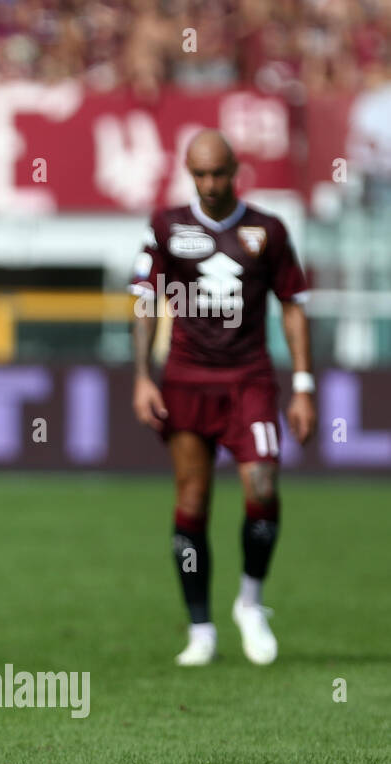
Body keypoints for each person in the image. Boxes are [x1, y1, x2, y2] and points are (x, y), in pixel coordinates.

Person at [129, 129, 316, 666]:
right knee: (192, 500)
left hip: (250, 380)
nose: (210, 184)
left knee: (263, 484)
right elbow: (144, 302)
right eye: (200, 174)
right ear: (190, 173)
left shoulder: (269, 229)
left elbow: (294, 306)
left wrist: (303, 385)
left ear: (237, 171)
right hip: (186, 380)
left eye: (218, 173)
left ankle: (250, 604)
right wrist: (143, 376)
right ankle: (201, 629)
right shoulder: (166, 226)